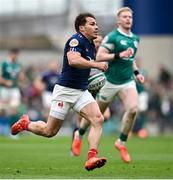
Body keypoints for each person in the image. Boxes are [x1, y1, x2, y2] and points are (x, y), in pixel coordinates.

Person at [11, 13, 108, 171]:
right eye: (92, 24)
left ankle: (91, 157)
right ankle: (26, 124)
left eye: (96, 23)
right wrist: (97, 65)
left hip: (81, 91)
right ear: (82, 28)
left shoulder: (91, 45)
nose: (96, 26)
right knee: (49, 131)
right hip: (65, 91)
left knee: (98, 119)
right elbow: (73, 60)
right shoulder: (75, 40)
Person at [96, 7, 145, 163]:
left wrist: (137, 73)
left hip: (127, 81)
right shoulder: (113, 37)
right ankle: (80, 133)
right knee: (97, 117)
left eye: (130, 17)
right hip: (109, 81)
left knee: (133, 109)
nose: (128, 19)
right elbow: (99, 56)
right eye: (124, 17)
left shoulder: (135, 39)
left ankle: (121, 142)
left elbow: (131, 60)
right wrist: (118, 55)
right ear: (118, 20)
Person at [71, 35, 110, 156]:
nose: (98, 44)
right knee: (81, 119)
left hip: (99, 92)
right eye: (96, 41)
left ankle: (81, 135)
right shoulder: (86, 52)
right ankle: (75, 143)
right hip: (85, 91)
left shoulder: (105, 55)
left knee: (105, 116)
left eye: (100, 41)